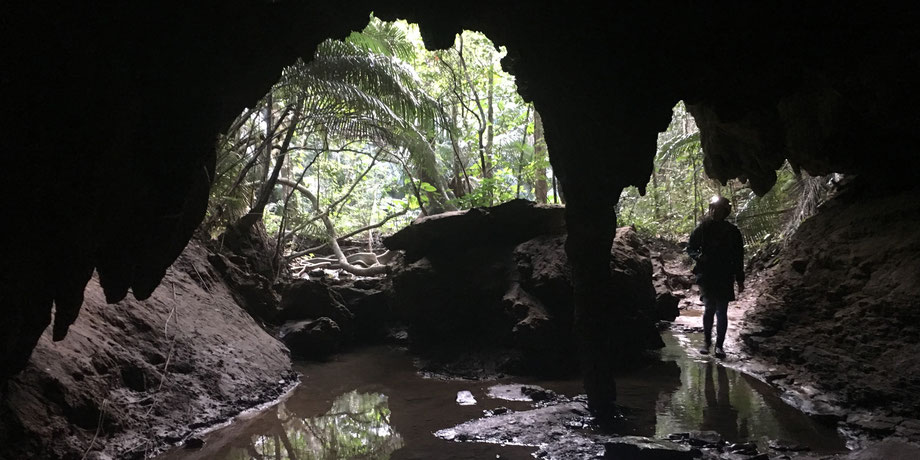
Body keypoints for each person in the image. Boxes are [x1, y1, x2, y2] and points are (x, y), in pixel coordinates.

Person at [687, 196, 745, 358]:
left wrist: (740, 279)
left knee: (721, 310)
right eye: (712, 208)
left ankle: (719, 346)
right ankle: (707, 343)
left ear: (725, 212)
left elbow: (739, 256)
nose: (713, 211)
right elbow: (690, 247)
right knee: (709, 309)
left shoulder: (733, 232)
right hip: (707, 274)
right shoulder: (703, 228)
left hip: (725, 275)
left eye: (717, 209)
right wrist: (698, 257)